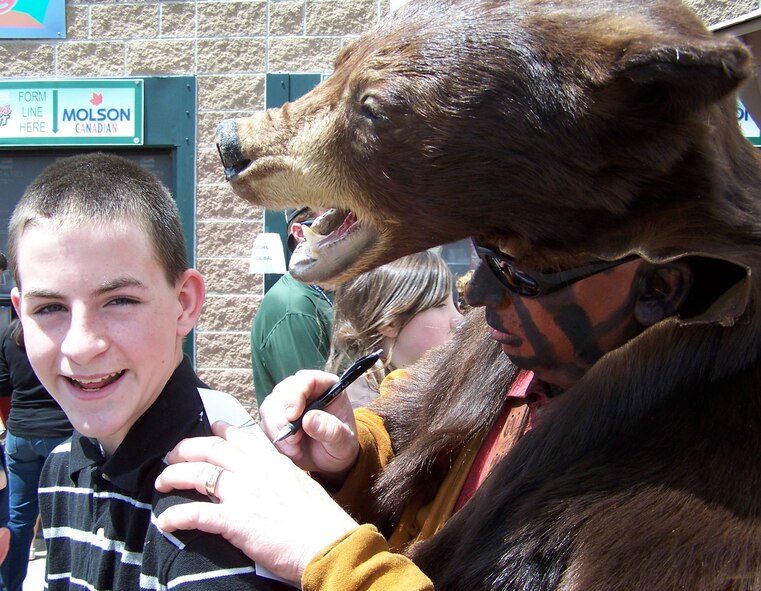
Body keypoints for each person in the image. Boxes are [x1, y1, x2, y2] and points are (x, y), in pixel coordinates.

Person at [7, 152, 289, 591]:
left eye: (119, 301)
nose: (82, 346)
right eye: (50, 308)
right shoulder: (63, 467)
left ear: (184, 304)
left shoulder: (216, 511)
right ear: (20, 314)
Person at [326, 251, 462, 407]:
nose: (459, 320)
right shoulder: (361, 414)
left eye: (455, 302)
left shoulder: (438, 386)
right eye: (439, 305)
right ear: (389, 323)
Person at [0, 318, 73, 591]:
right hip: (62, 432)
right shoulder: (64, 329)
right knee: (63, 520)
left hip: (20, 434)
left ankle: (9, 586)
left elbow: (3, 387)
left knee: (18, 519)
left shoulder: (10, 333)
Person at [250, 206, 333, 407]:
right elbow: (317, 410)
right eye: (333, 222)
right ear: (299, 233)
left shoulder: (326, 293)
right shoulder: (292, 308)